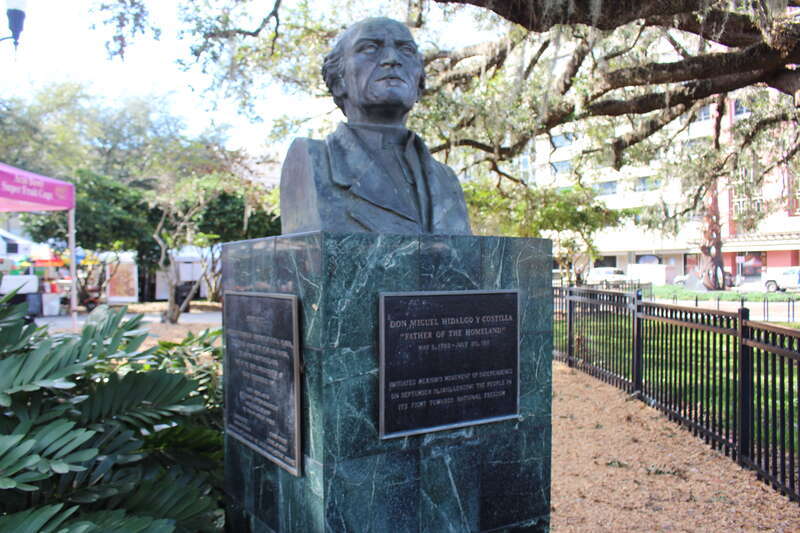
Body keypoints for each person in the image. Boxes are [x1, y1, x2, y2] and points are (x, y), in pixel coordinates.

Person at [279, 17, 472, 235]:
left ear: (419, 83)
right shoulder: (312, 160)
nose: (392, 59)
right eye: (370, 48)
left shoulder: (446, 180)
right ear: (338, 80)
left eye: (406, 50)